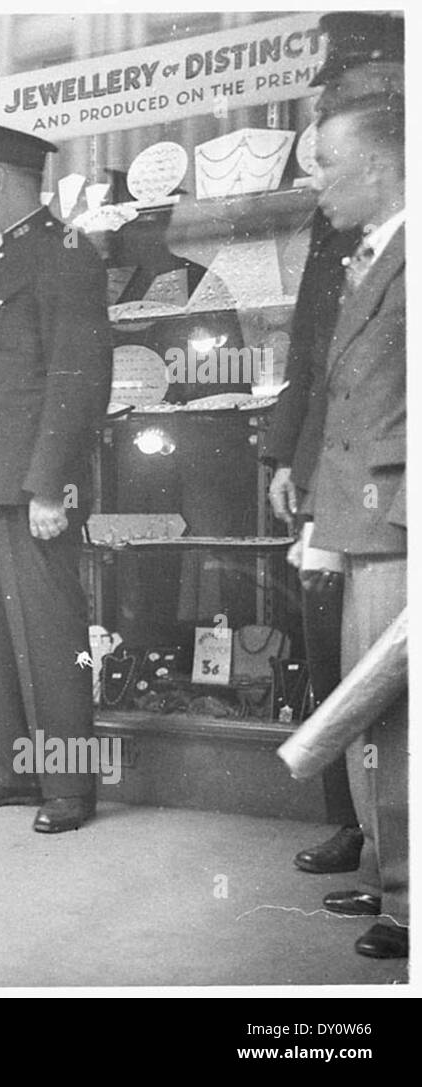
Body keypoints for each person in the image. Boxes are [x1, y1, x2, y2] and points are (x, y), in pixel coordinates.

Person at [262, 10, 403, 883]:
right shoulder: (345, 228)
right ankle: (365, 837)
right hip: (341, 470)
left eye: (355, 84)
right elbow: (317, 355)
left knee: (379, 685)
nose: (337, 92)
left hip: (387, 492)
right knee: (339, 660)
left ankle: (396, 869)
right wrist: (294, 458)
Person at [0, 119, 113, 833]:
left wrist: (48, 484)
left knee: (51, 636)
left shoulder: (65, 255)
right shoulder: (0, 264)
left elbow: (77, 379)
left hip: (31, 484)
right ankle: (5, 772)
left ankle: (69, 790)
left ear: (0, 179)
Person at [302, 92, 406, 959]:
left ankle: (409, 904)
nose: (318, 185)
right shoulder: (374, 256)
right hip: (362, 521)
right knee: (372, 717)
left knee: (397, 719)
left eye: (328, 164)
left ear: (378, 165)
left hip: (396, 526)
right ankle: (390, 875)